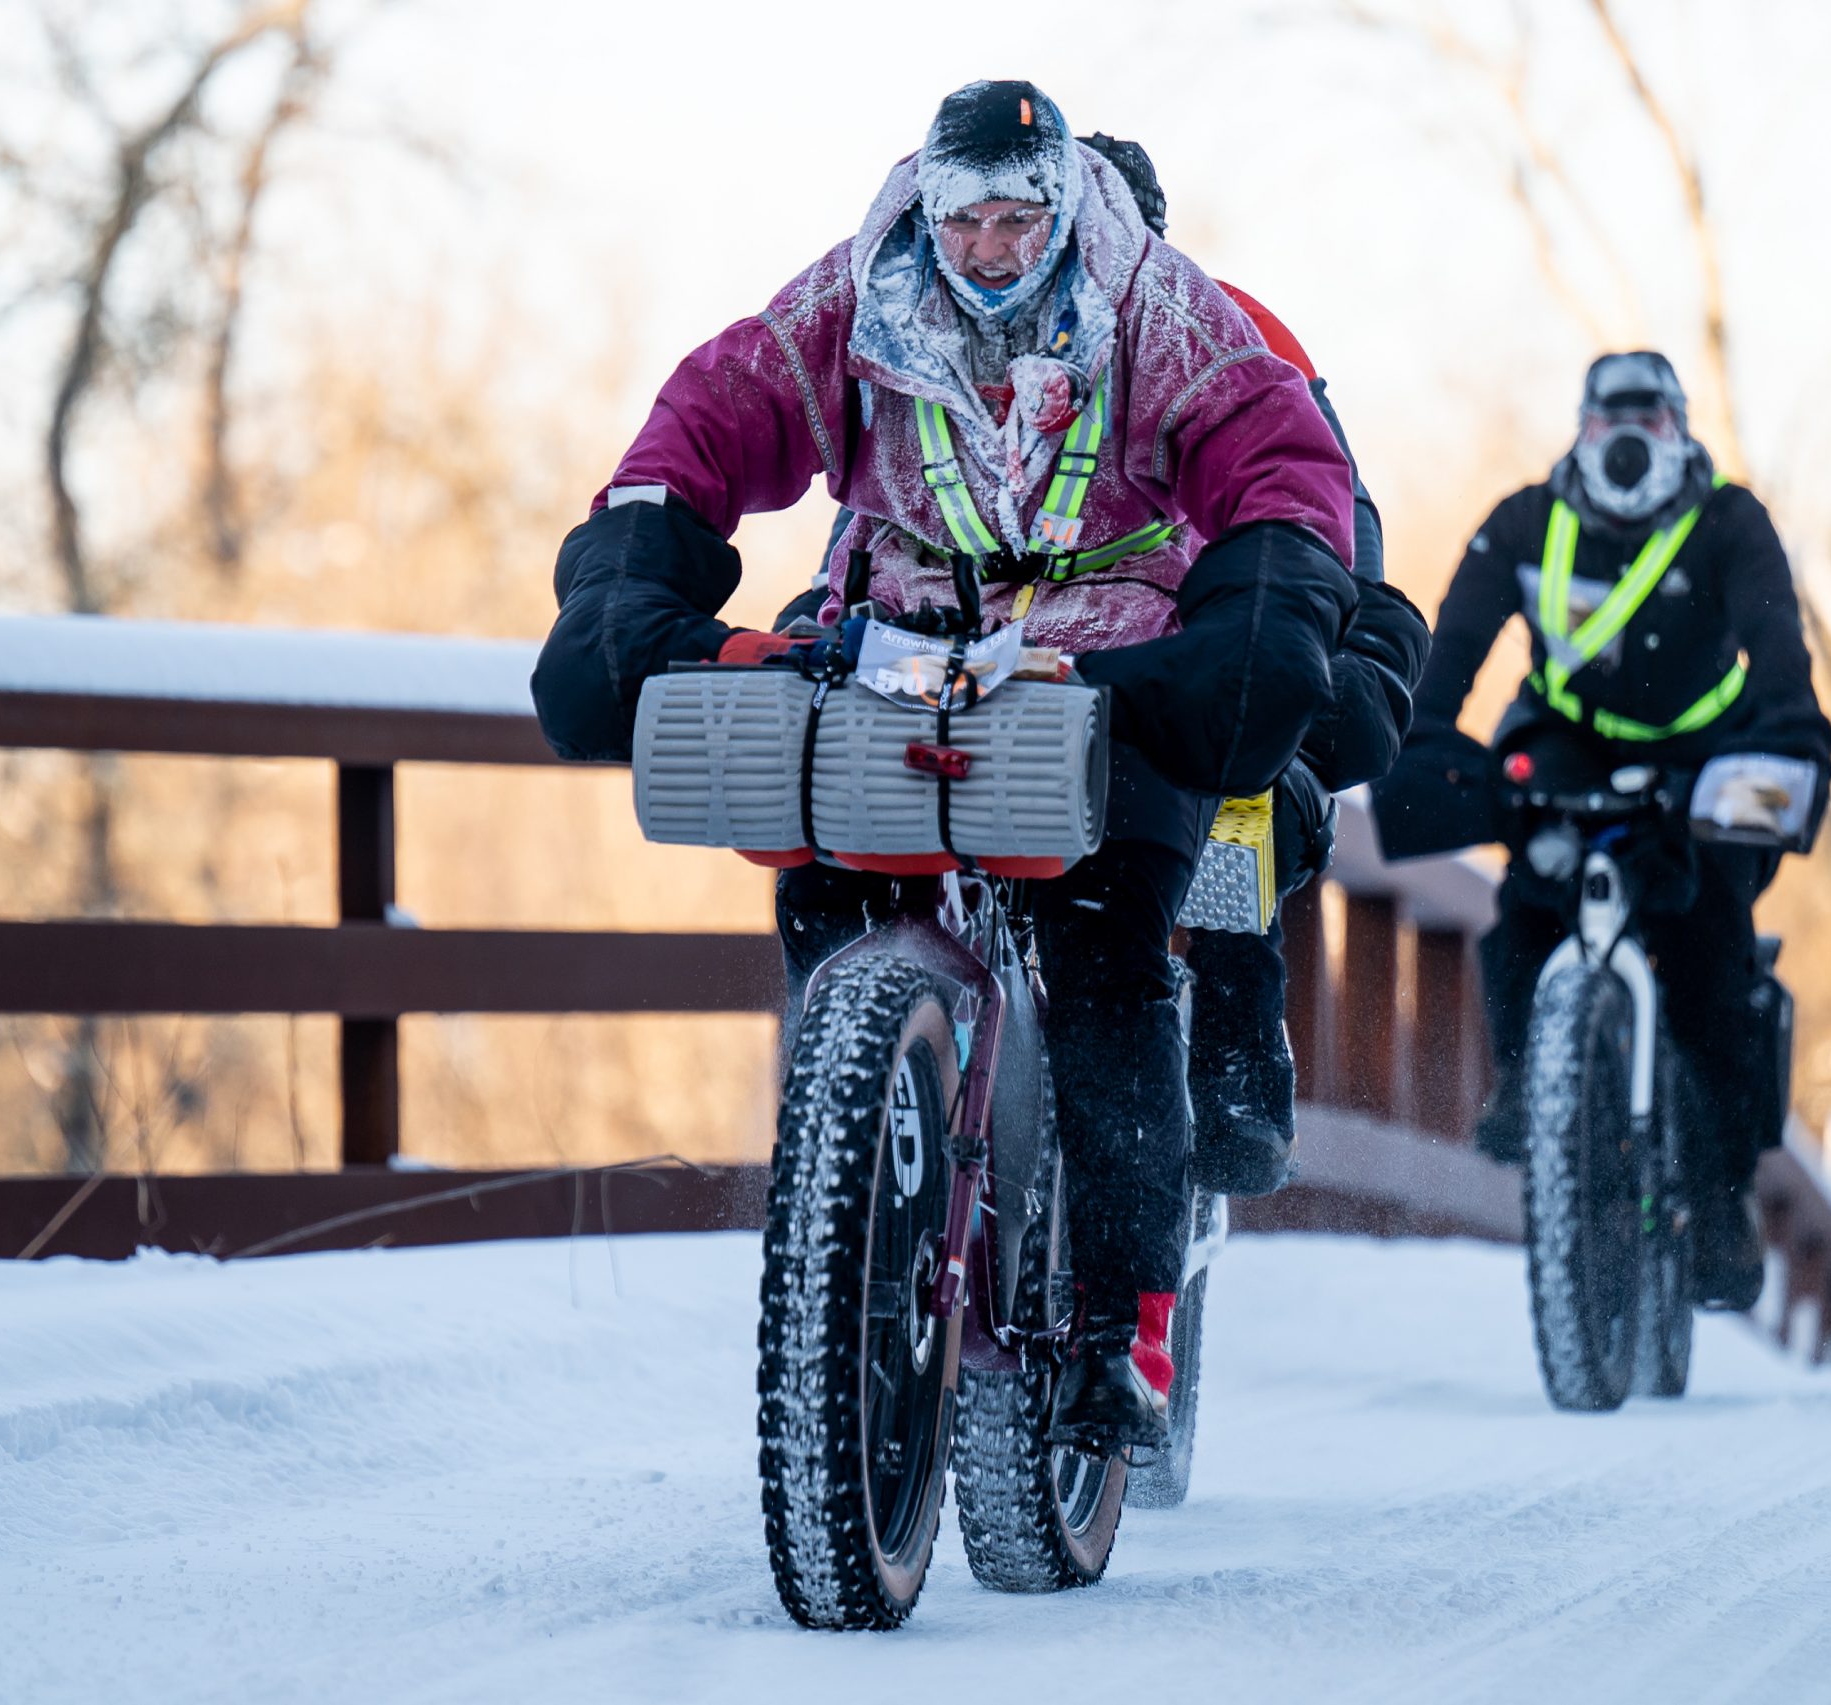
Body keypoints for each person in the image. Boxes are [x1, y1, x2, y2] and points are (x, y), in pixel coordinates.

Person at [531, 82, 1361, 1449]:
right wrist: (636, 568)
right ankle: (855, 1182)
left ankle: (1119, 1330)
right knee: (817, 868)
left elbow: (1270, 450)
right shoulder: (858, 298)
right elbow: (722, 407)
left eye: (1014, 216)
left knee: (1109, 950)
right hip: (896, 631)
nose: (986, 244)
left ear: (1061, 204)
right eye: (962, 216)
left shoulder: (1156, 303)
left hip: (1108, 642)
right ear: (928, 206)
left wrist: (1262, 609)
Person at [782, 132, 1429, 1199]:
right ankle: (851, 1121)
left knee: (1231, 804)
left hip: (1159, 673)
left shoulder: (1224, 338)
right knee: (839, 808)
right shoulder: (945, 350)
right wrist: (819, 620)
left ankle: (1232, 1061)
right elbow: (874, 529)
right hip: (974, 674)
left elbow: (1330, 538)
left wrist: (1318, 667)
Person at [1389, 352, 1831, 1309]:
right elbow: (1453, 648)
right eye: (1610, 423)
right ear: (1581, 431)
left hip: (1709, 750)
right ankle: (1530, 1079)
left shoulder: (1729, 523)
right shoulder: (1526, 521)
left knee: (1710, 946)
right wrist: (1423, 743)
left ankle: (1720, 1199)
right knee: (1528, 906)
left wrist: (1791, 744)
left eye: (1653, 422)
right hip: (1566, 746)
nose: (1631, 442)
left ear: (1681, 431)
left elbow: (1780, 652)